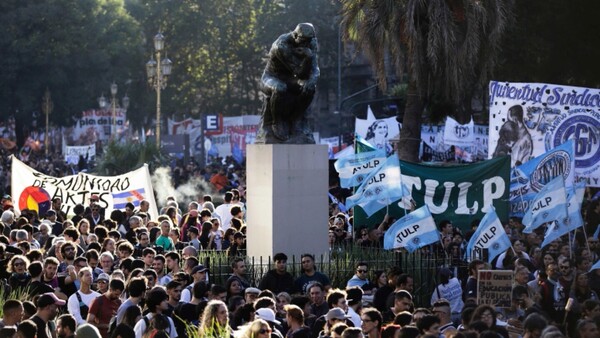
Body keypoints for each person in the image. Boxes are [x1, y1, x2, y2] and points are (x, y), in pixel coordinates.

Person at [257, 23, 319, 144]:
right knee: (280, 88)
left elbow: (314, 69)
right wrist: (307, 58)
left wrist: (312, 80)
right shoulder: (281, 46)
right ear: (295, 36)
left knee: (310, 88)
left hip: (292, 79)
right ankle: (277, 122)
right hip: (272, 77)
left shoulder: (311, 43)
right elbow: (300, 73)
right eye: (303, 41)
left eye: (308, 41)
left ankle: (296, 120)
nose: (306, 44)